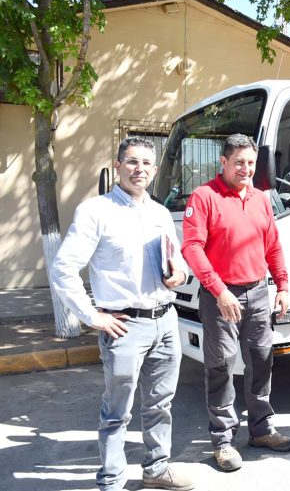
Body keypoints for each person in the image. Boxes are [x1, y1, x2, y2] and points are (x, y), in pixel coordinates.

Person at [50, 137, 194, 491]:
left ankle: (156, 468)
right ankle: (111, 481)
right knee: (117, 412)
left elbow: (177, 261)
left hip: (166, 320)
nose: (139, 169)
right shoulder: (95, 211)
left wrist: (181, 273)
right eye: (132, 162)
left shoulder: (160, 213)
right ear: (117, 165)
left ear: (155, 170)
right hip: (124, 327)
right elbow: (62, 268)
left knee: (161, 404)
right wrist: (90, 316)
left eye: (147, 163)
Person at [181, 133, 290, 472]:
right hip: (221, 298)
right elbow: (192, 248)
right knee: (221, 367)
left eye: (251, 163)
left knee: (262, 363)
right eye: (239, 162)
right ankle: (223, 441)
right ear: (224, 162)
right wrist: (219, 290)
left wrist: (283, 285)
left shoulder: (260, 198)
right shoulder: (204, 197)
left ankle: (261, 429)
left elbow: (272, 245)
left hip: (258, 293)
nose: (246, 169)